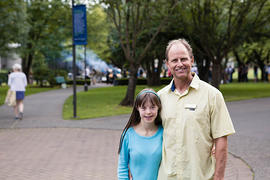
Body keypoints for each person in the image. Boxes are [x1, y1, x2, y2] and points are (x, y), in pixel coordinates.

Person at [157, 39, 235, 180]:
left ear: (192, 60)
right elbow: (148, 135)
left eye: (184, 59)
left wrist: (218, 178)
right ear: (167, 64)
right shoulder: (160, 98)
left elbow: (221, 141)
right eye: (174, 60)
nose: (180, 64)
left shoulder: (212, 95)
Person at [118, 89, 163, 180]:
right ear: (137, 108)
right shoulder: (128, 134)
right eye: (144, 108)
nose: (148, 112)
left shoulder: (164, 133)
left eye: (152, 107)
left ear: (159, 108)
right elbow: (122, 167)